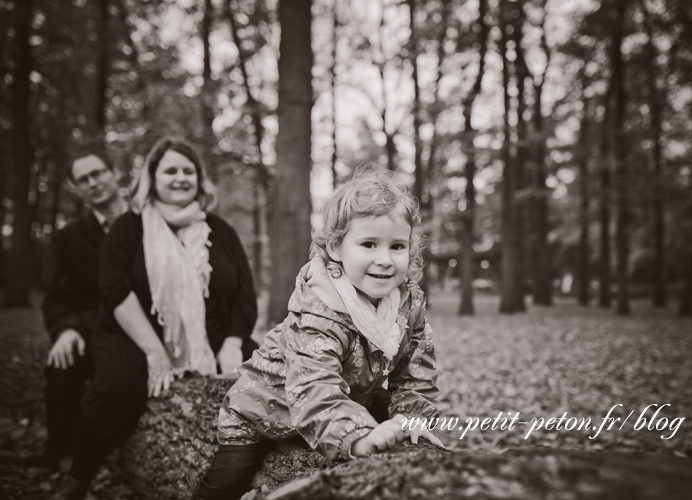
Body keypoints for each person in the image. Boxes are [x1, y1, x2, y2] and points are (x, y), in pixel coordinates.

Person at [192, 167, 443, 500]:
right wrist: (359, 437)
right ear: (337, 248)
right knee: (225, 484)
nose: (384, 259)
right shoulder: (320, 309)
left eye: (397, 246)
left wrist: (411, 419)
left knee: (404, 420)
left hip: (349, 392)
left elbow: (413, 368)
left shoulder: (405, 302)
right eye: (369, 244)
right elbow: (314, 385)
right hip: (270, 406)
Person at [55, 137, 259, 500]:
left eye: (188, 171)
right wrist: (155, 351)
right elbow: (115, 289)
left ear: (199, 178)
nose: (180, 178)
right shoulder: (129, 227)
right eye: (170, 171)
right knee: (117, 383)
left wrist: (232, 341)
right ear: (152, 177)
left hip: (215, 335)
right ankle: (79, 476)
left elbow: (244, 293)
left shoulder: (220, 229)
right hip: (131, 333)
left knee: (266, 373)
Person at [32, 152, 128, 470]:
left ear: (114, 175)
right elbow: (57, 298)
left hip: (143, 332)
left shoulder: (149, 221)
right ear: (77, 189)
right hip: (90, 330)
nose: (93, 182)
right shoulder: (69, 237)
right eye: (83, 179)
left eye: (98, 173)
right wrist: (66, 330)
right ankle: (58, 448)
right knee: (61, 365)